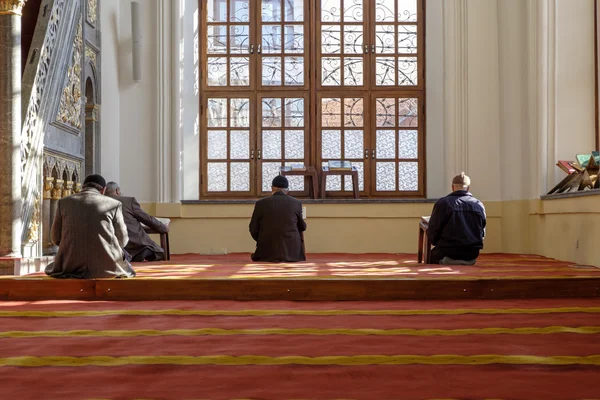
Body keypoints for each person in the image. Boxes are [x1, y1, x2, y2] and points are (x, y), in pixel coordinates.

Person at [45, 174, 136, 279]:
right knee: (126, 267)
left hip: (70, 265)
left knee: (52, 266)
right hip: (107, 267)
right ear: (103, 190)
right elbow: (123, 240)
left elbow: (55, 238)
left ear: (83, 187)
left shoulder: (63, 203)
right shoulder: (114, 204)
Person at [427, 172, 486, 265]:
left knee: (428, 257)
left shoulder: (443, 203)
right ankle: (467, 261)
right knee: (467, 254)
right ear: (468, 188)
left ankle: (448, 261)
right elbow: (482, 233)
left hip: (448, 250)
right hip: (472, 252)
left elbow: (433, 230)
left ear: (452, 187)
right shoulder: (478, 205)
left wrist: (435, 243)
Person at [105, 181, 169, 262]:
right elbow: (146, 218)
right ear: (117, 191)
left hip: (110, 244)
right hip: (133, 242)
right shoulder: (128, 201)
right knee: (160, 252)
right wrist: (163, 227)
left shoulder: (98, 203)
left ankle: (127, 255)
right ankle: (142, 252)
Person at [249, 175, 307, 262]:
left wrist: (262, 239)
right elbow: (302, 227)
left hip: (266, 250)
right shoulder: (296, 203)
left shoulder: (261, 203)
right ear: (287, 190)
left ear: (272, 188)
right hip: (292, 252)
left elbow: (253, 228)